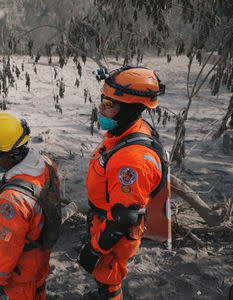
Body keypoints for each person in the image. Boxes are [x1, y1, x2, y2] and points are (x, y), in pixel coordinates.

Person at [79, 66, 167, 300]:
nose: (100, 107)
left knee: (108, 273)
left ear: (129, 110)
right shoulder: (129, 130)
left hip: (112, 230)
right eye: (102, 99)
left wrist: (94, 249)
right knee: (106, 274)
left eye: (109, 103)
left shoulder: (131, 160)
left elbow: (122, 221)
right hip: (106, 219)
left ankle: (110, 294)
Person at [0, 112, 61, 300]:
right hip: (43, 249)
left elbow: (8, 244)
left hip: (22, 266)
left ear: (11, 154)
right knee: (39, 288)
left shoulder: (13, 199)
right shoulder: (46, 163)